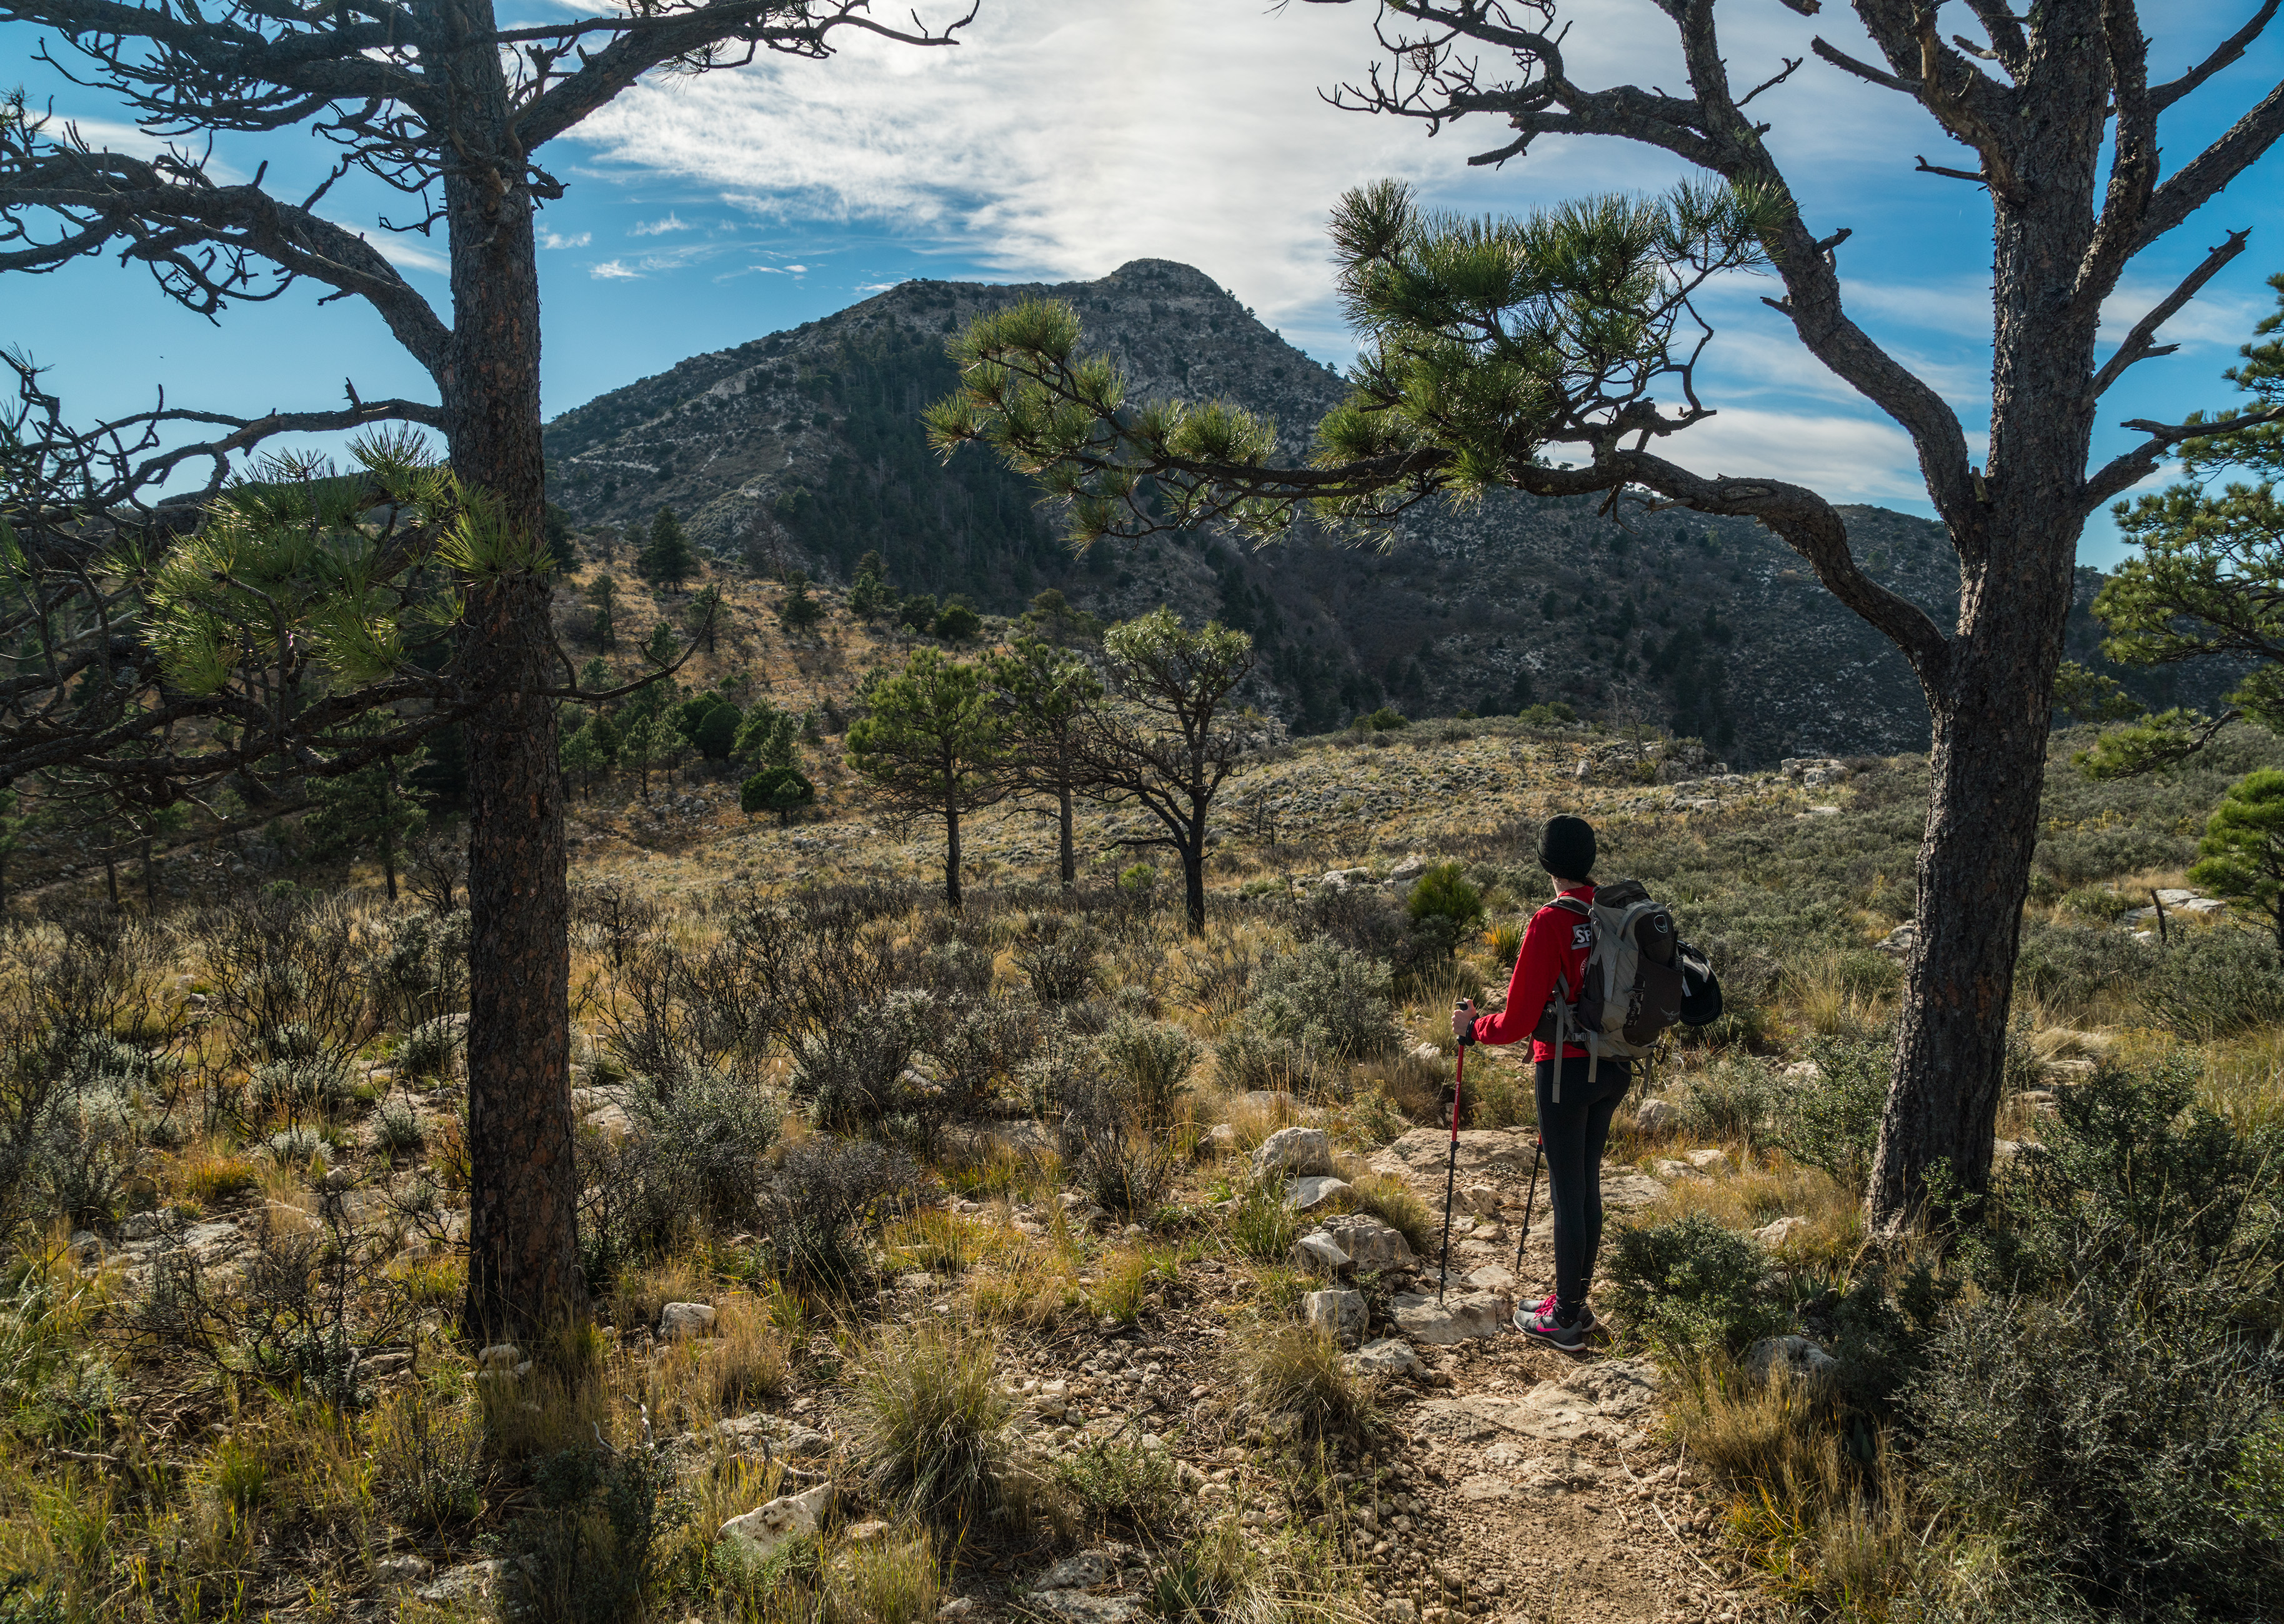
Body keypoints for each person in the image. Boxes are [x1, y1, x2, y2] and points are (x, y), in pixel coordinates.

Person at [1450, 814, 1624, 1353]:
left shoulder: (1549, 921)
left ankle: (1564, 1317)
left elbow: (1518, 1021)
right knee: (1587, 1184)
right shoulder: (1612, 912)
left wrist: (1473, 1030)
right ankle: (1574, 1302)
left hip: (1565, 1072)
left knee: (1566, 1191)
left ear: (1546, 863)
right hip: (1614, 1065)